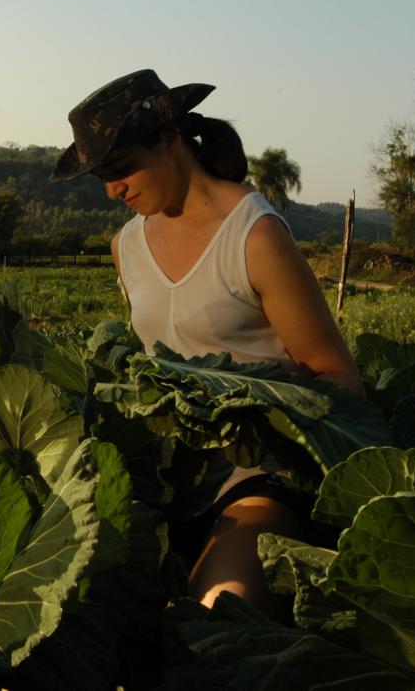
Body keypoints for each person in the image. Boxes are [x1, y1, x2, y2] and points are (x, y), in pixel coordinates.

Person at [52, 69, 361, 611]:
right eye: (101, 177)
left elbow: (337, 376)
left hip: (256, 471)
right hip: (165, 477)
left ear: (171, 141)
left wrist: (260, 418)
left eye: (122, 170)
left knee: (219, 608)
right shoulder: (126, 245)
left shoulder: (254, 235)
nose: (111, 190)